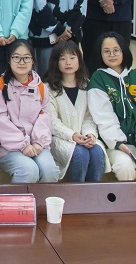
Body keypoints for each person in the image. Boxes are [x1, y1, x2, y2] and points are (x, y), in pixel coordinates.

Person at [87, 32, 136, 181]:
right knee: (125, 166)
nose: (112, 55)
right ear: (100, 54)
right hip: (114, 144)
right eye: (106, 51)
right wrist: (119, 143)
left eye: (116, 50)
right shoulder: (98, 79)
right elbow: (103, 117)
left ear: (124, 51)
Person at [0, 40, 59, 183]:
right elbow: (0, 121)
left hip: (36, 144)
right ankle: (17, 199)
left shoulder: (40, 87)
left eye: (26, 57)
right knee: (28, 170)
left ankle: (41, 200)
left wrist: (38, 143)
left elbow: (45, 117)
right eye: (16, 57)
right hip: (7, 147)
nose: (21, 62)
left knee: (49, 170)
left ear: (33, 60)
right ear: (9, 60)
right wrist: (23, 144)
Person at [44, 41, 108, 182]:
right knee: (80, 153)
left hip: (84, 137)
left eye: (72, 57)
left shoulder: (87, 84)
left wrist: (90, 134)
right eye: (62, 58)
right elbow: (52, 121)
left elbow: (89, 117)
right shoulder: (47, 88)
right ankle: (76, 193)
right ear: (56, 62)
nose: (68, 62)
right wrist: (72, 135)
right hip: (59, 139)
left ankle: (94, 193)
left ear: (79, 59)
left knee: (97, 152)